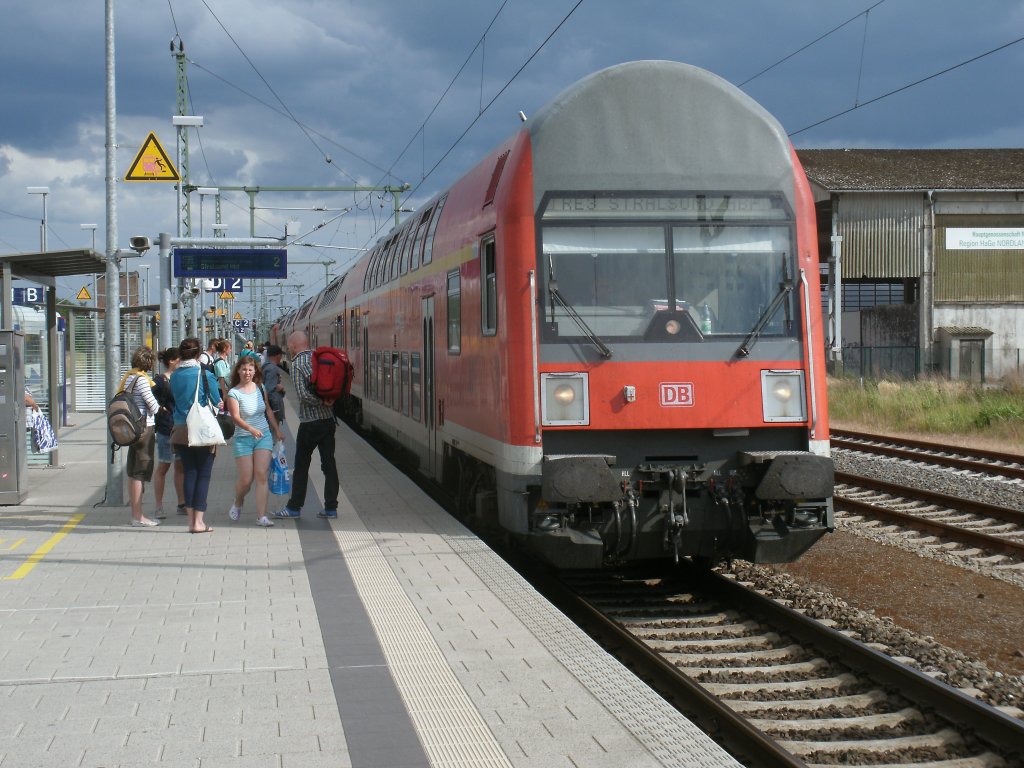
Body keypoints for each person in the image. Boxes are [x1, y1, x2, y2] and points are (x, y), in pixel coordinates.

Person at [273, 330, 339, 519]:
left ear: (293, 346)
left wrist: (319, 402)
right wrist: (328, 402)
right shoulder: (318, 358)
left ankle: (294, 507)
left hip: (310, 424)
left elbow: (303, 395)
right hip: (328, 421)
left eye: (289, 345)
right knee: (329, 464)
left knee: (301, 466)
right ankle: (331, 508)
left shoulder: (297, 364)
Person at [169, 337, 222, 533]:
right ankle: (199, 522)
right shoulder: (204, 374)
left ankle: (191, 521)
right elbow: (217, 400)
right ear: (199, 353)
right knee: (204, 474)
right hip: (202, 429)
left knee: (189, 472)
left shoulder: (174, 375)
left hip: (181, 429)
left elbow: (174, 397)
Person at [225, 356, 284, 527]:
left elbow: (267, 409)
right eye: (244, 369)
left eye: (250, 369)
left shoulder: (260, 387)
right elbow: (235, 417)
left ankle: (261, 517)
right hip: (243, 439)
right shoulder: (233, 393)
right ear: (238, 371)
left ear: (255, 371)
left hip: (263, 435)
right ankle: (238, 501)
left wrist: (277, 430)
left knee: (261, 475)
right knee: (246, 479)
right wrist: (250, 429)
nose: (247, 372)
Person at [120, 346, 161, 527]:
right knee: (140, 471)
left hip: (132, 429)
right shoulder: (142, 380)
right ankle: (138, 516)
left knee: (133, 470)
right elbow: (153, 406)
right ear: (149, 362)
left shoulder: (129, 377)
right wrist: (161, 407)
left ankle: (136, 513)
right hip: (144, 429)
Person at [152, 347, 186, 519]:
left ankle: (182, 503)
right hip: (166, 429)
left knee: (180, 466)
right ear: (172, 361)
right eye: (180, 359)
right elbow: (151, 401)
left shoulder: (180, 378)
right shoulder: (159, 381)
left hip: (180, 428)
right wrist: (160, 409)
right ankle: (158, 506)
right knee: (164, 466)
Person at [261, 344, 286, 425]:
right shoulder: (272, 369)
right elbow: (269, 390)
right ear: (278, 355)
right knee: (274, 433)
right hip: (273, 409)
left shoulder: (266, 366)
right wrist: (276, 409)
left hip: (270, 408)